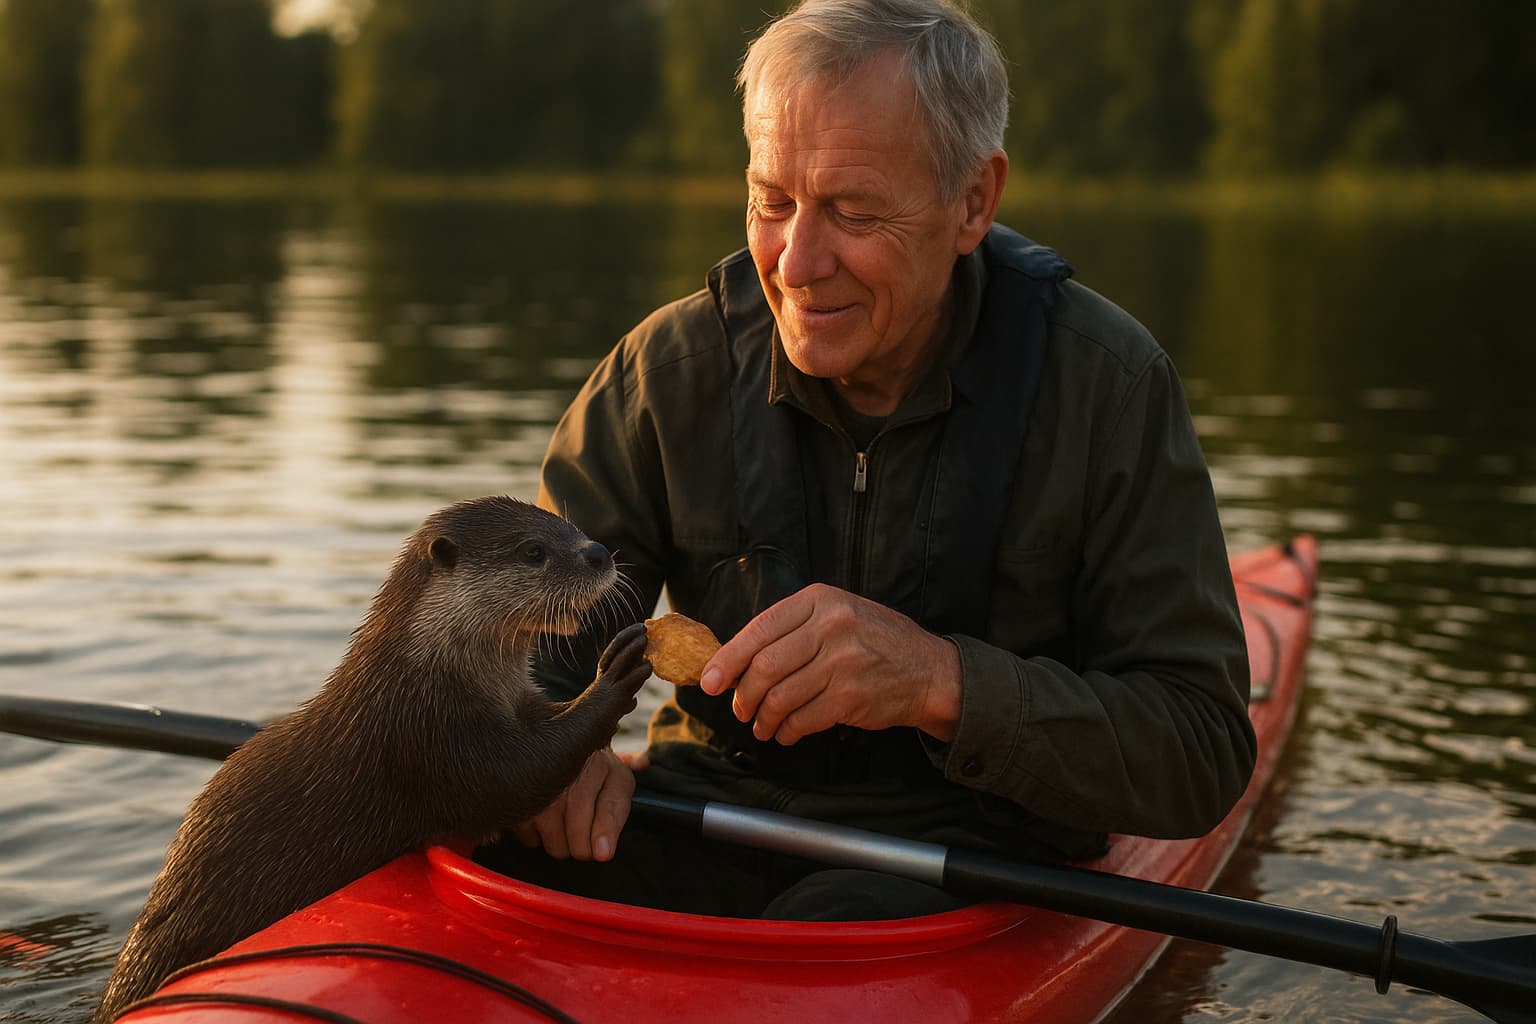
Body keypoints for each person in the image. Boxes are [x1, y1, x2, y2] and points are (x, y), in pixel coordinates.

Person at [489, 0, 1255, 920]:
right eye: (772, 202)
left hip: (980, 859)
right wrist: (551, 748)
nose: (797, 261)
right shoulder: (663, 376)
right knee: (480, 852)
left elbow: (1202, 749)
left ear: (973, 201)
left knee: (837, 913)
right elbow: (517, 665)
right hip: (702, 817)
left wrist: (943, 683)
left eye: (852, 211)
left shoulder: (1109, 388)